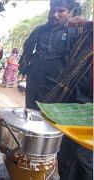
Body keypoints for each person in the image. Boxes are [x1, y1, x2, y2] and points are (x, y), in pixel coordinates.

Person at [43, 17, 93, 180]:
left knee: (82, 158)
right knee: (65, 151)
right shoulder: (87, 34)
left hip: (89, 109)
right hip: (72, 101)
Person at [18, 0, 83, 110]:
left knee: (50, 115)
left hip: (56, 84)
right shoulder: (39, 30)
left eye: (60, 11)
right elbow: (27, 50)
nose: (54, 14)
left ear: (69, 12)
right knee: (31, 110)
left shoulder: (75, 32)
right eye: (52, 10)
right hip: (34, 79)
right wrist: (23, 69)